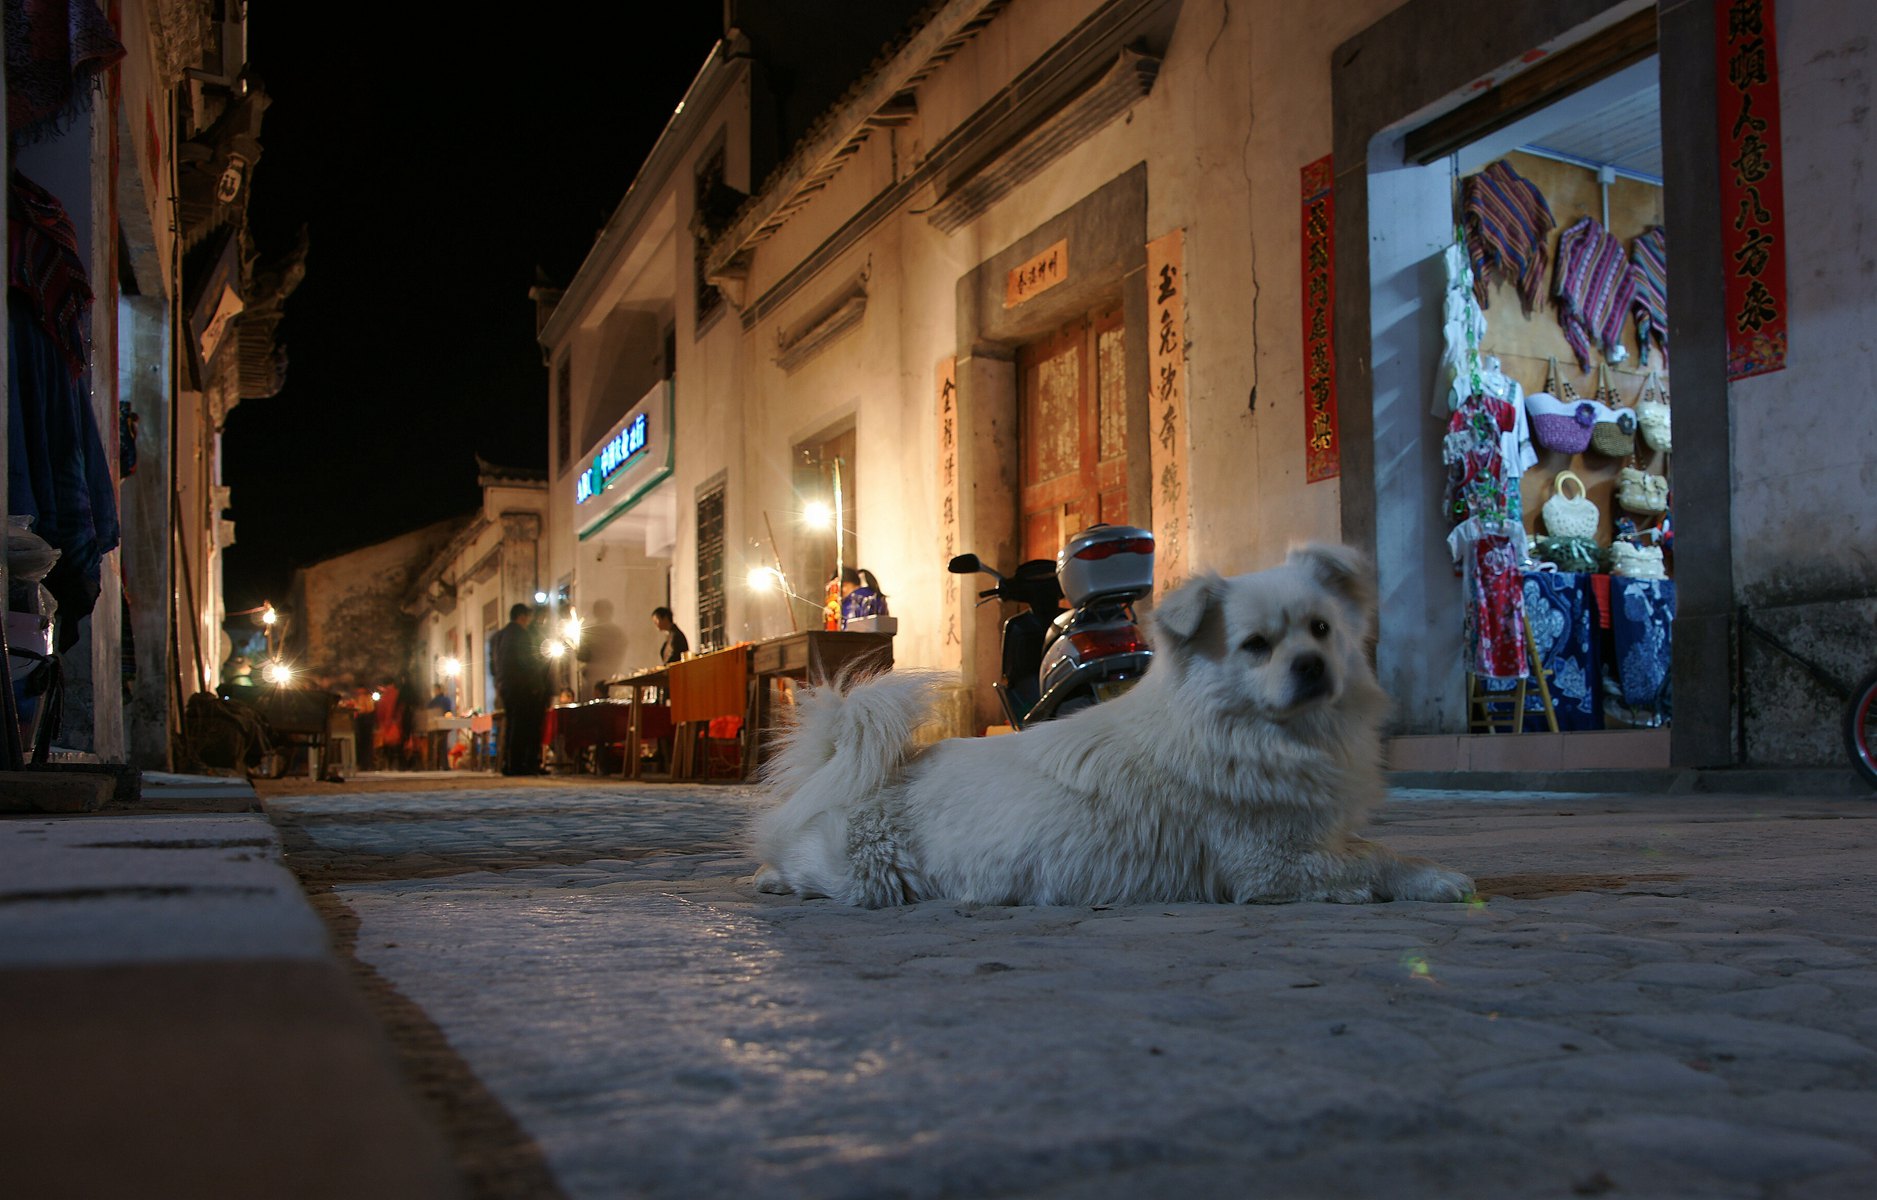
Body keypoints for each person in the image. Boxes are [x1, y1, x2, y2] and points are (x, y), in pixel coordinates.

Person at [492, 602, 550, 775]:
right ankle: (521, 764)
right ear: (522, 617)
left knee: (512, 725)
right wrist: (536, 685)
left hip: (506, 686)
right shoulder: (521, 634)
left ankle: (509, 763)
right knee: (524, 726)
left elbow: (494, 664)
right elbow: (527, 662)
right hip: (521, 687)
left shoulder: (499, 636)